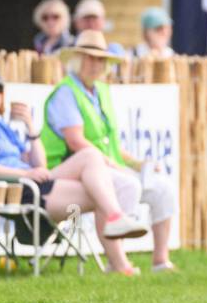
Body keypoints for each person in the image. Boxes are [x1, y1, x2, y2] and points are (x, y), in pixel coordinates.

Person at [0, 64, 148, 275]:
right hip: (13, 189)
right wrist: (25, 174)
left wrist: (31, 129)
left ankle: (118, 256)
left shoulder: (1, 125)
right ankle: (117, 242)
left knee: (97, 181)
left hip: (32, 183)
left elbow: (38, 164)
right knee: (94, 168)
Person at [41, 32, 178, 273]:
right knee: (127, 185)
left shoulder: (102, 91)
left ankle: (160, 261)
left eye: (100, 60)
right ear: (76, 60)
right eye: (89, 58)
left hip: (105, 164)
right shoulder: (65, 92)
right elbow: (75, 142)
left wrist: (138, 163)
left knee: (163, 188)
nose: (95, 65)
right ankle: (118, 263)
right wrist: (113, 165)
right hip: (72, 169)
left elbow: (111, 143)